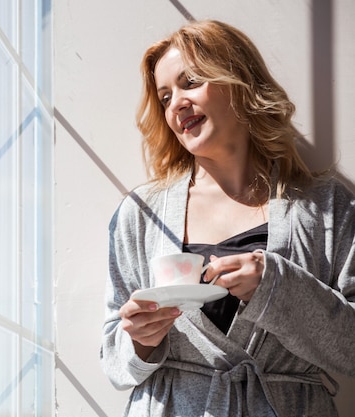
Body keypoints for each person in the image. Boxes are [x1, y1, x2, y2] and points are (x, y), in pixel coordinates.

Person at [100, 20, 355, 416]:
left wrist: (277, 288)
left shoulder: (325, 206)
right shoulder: (141, 214)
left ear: (238, 80)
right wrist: (139, 341)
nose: (176, 104)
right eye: (165, 97)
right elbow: (114, 365)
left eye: (191, 82)